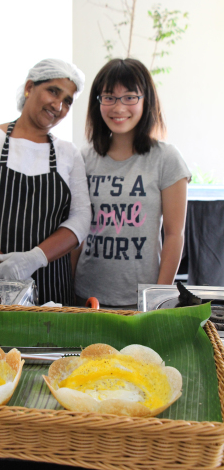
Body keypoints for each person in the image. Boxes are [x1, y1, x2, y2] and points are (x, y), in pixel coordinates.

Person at [0, 58, 91, 306]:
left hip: (52, 288)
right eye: (53, 91)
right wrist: (3, 266)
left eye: (67, 101)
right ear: (29, 87)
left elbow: (81, 218)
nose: (58, 105)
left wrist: (35, 258)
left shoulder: (69, 153)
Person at [73, 58, 191, 309]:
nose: (118, 107)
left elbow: (174, 235)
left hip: (140, 301)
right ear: (98, 102)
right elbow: (78, 231)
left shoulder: (166, 158)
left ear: (146, 100)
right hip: (86, 296)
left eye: (129, 97)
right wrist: (69, 286)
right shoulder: (84, 158)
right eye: (109, 97)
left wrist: (158, 298)